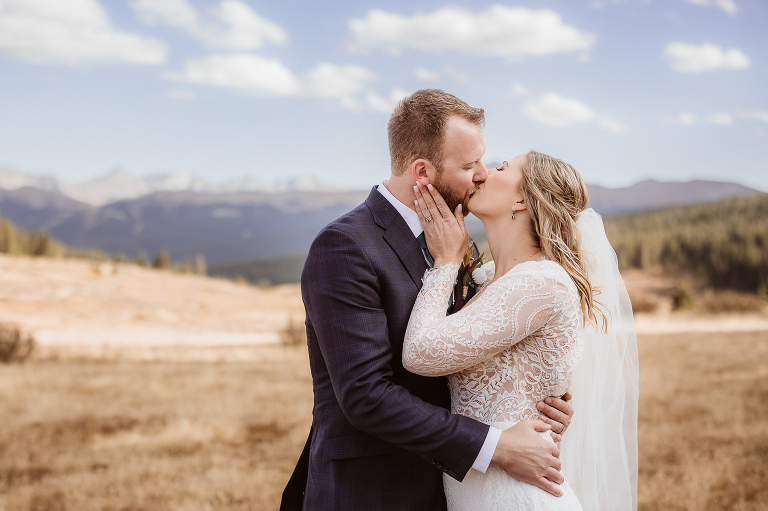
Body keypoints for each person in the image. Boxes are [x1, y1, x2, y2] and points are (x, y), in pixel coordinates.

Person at [279, 90, 576, 511]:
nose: (481, 174)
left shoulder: (458, 242)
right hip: (374, 492)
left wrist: (540, 398)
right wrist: (496, 445)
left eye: (483, 161)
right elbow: (366, 394)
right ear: (422, 171)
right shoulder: (345, 247)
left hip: (456, 491)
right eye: (469, 165)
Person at [403, 151, 639, 510]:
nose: (481, 173)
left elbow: (420, 352)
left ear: (522, 199)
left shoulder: (542, 282)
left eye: (501, 168)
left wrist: (447, 262)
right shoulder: (486, 281)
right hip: (472, 491)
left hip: (515, 496)